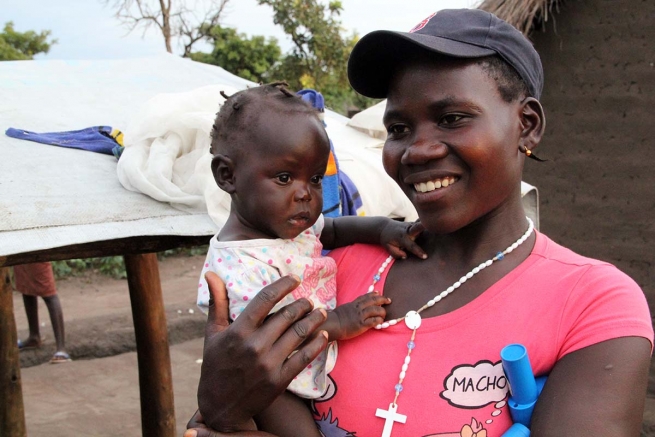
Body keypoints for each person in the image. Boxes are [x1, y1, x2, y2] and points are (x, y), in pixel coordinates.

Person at [186, 9, 653, 437]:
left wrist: (223, 413)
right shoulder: (320, 267)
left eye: (451, 118)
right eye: (399, 129)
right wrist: (222, 407)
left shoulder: (593, 305)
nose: (416, 151)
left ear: (526, 124)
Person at [196, 82, 426, 436]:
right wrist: (340, 320)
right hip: (273, 382)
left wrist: (382, 229)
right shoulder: (236, 264)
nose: (305, 193)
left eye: (315, 178)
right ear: (228, 176)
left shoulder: (287, 224)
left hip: (306, 363)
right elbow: (270, 339)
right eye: (285, 177)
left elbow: (331, 229)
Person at [14, 262, 71, 364]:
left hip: (35, 249)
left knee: (48, 292)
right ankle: (34, 337)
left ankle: (61, 349)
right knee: (26, 287)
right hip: (20, 248)